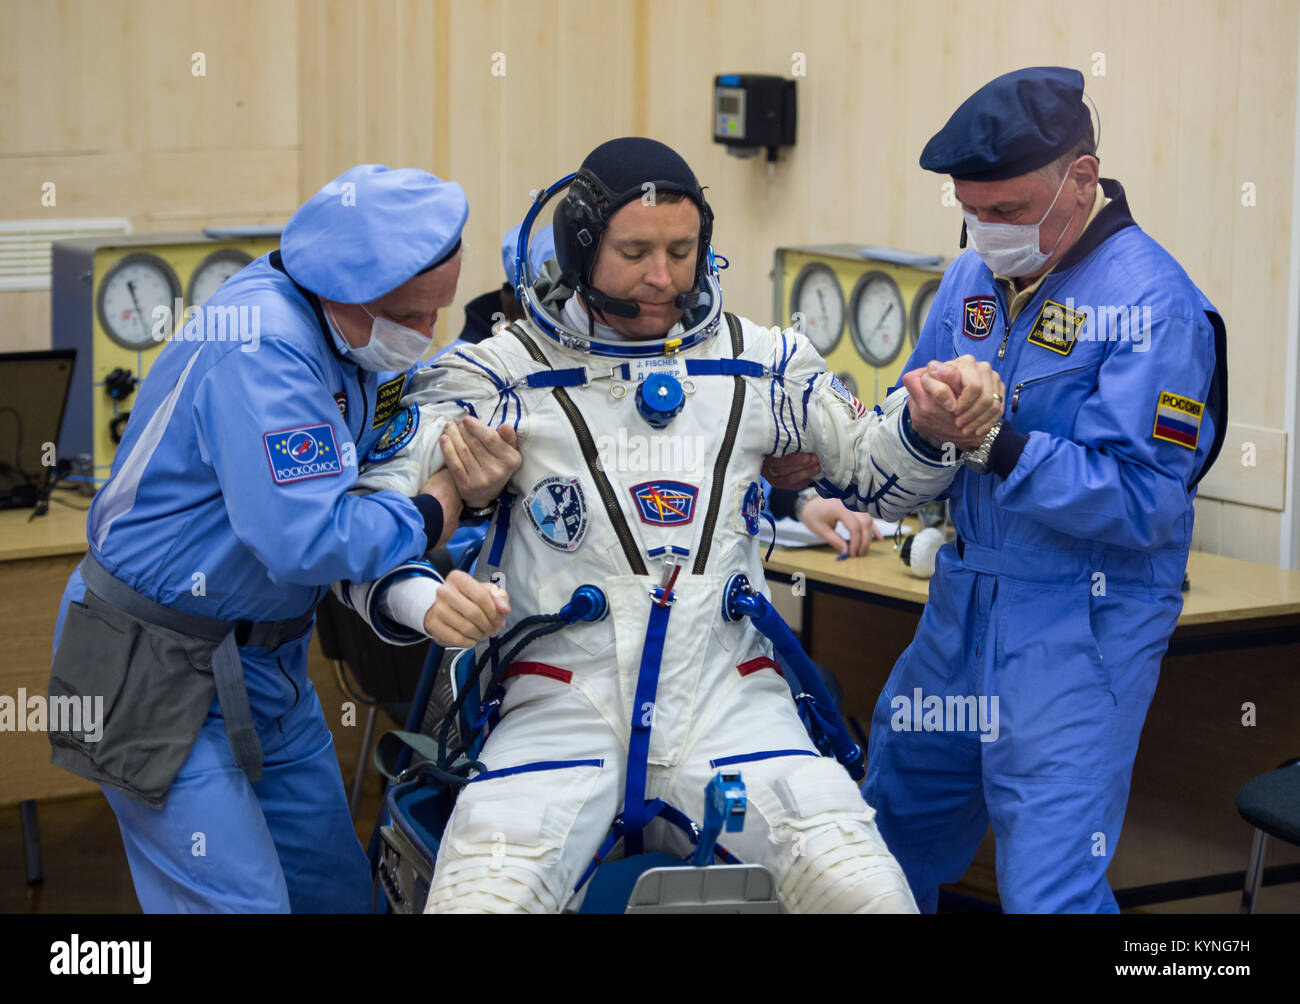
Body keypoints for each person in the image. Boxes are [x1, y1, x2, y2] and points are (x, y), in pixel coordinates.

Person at [343, 137, 1006, 913]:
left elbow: (876, 473)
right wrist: (424, 600)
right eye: (634, 252)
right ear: (581, 247)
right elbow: (359, 528)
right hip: (558, 710)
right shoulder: (497, 375)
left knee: (869, 894)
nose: (662, 277)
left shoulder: (764, 364)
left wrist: (934, 424)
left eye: (682, 250)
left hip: (733, 706)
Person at [46, 164, 508, 913]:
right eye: (409, 315)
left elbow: (378, 446)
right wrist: (438, 507)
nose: (424, 337)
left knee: (334, 896)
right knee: (240, 907)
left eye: (437, 313)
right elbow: (310, 539)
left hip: (268, 662)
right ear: (343, 289)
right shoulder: (263, 345)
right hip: (151, 659)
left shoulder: (352, 340)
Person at [857, 67, 1229, 913]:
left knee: (1047, 893)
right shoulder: (969, 280)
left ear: (1083, 179)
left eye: (1010, 212)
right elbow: (912, 400)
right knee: (877, 844)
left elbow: (1146, 501)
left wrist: (998, 444)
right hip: (962, 608)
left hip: (1080, 626)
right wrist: (896, 440)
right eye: (972, 211)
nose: (988, 232)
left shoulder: (1153, 307)